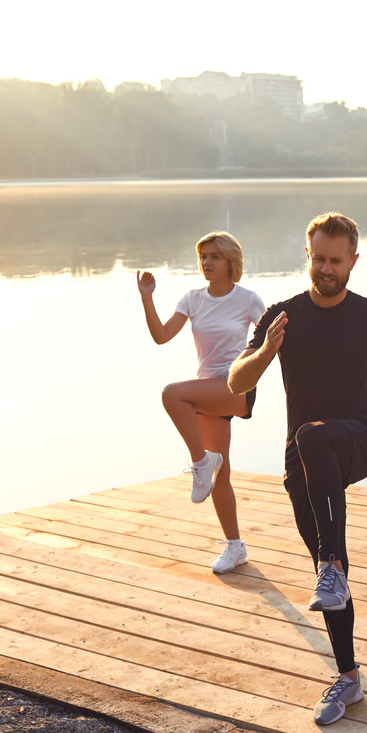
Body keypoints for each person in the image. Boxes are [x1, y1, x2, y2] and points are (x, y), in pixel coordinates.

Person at [227, 212, 367, 726]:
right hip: (303, 462)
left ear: (353, 262)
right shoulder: (281, 316)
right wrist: (267, 351)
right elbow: (236, 381)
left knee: (313, 437)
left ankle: (331, 567)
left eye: (335, 261)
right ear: (308, 254)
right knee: (330, 568)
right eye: (318, 258)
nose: (325, 268)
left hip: (359, 435)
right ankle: (348, 678)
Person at [136, 232, 265, 574]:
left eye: (214, 257)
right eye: (203, 256)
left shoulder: (248, 299)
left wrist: (252, 362)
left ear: (230, 262)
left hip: (235, 387)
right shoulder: (192, 299)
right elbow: (162, 336)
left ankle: (200, 461)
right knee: (220, 477)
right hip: (208, 390)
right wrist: (147, 298)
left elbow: (272, 341)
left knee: (172, 393)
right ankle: (236, 547)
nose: (207, 262)